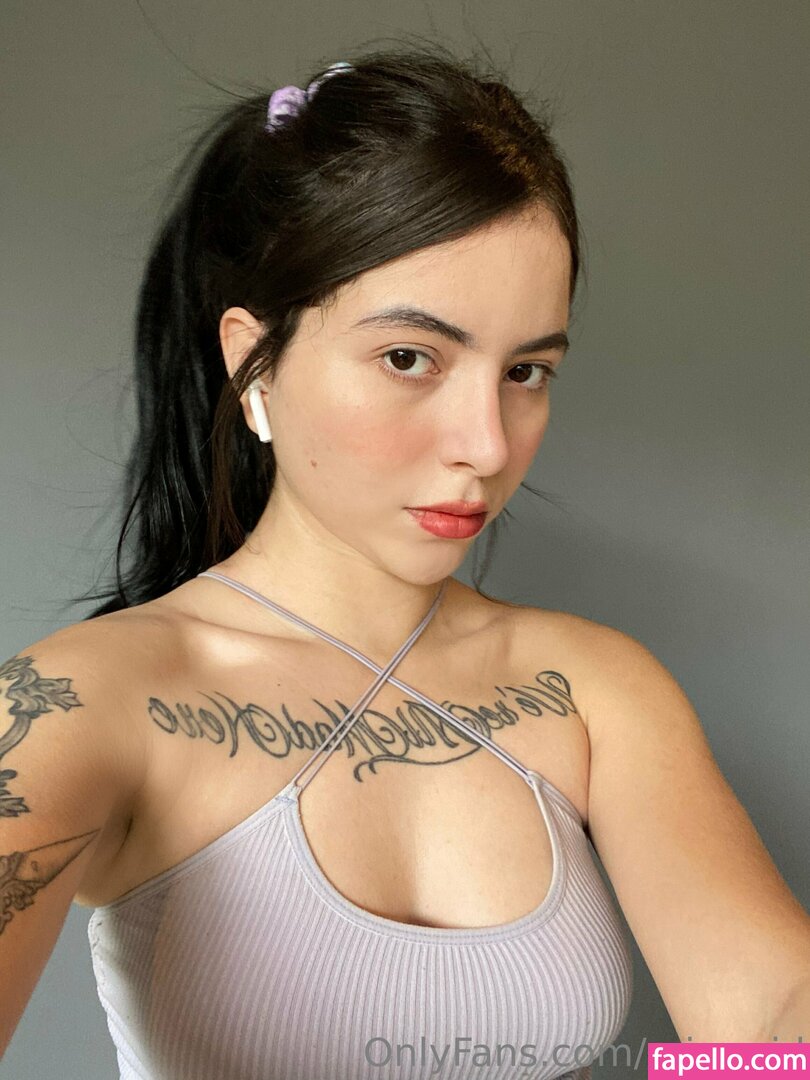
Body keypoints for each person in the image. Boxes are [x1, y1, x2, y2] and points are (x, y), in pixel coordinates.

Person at [1, 40, 809, 1080]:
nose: (487, 443)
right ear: (253, 360)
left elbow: (764, 1029)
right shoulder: (82, 706)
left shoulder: (595, 691)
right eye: (409, 357)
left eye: (526, 371)